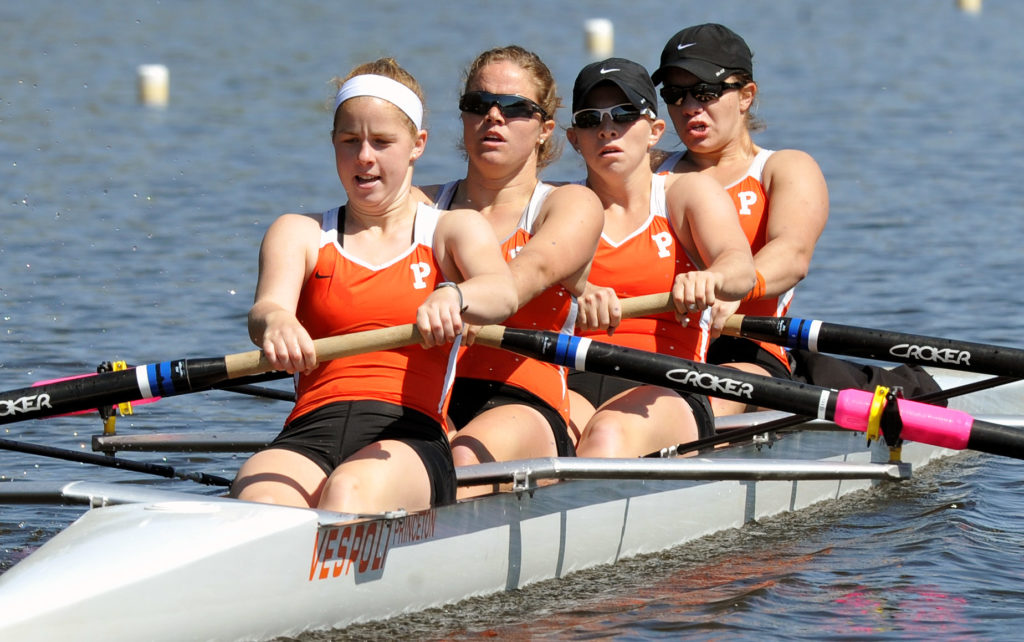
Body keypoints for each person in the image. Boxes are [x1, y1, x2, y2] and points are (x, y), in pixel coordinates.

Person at [230, 58, 518, 514]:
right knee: (259, 501)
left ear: (417, 145)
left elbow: (502, 293)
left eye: (383, 142)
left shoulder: (451, 230)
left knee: (349, 491)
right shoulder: (299, 232)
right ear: (334, 145)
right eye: (350, 142)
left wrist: (455, 295)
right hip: (310, 428)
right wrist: (277, 322)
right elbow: (265, 309)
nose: (365, 157)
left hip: (411, 435)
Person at [420, 46, 603, 494]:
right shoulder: (420, 206)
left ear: (545, 129)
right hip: (426, 397)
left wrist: (464, 301)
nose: (494, 117)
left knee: (459, 459)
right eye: (478, 105)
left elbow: (522, 279)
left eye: (516, 108)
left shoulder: (569, 205)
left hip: (524, 400)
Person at [565, 58, 755, 458]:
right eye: (590, 118)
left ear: (654, 131)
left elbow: (740, 269)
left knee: (606, 436)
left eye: (624, 114)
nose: (607, 128)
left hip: (672, 383)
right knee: (536, 449)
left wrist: (711, 279)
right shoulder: (557, 208)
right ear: (573, 138)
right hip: (574, 379)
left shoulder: (684, 194)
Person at [650, 23, 830, 416]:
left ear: (747, 95)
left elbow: (792, 253)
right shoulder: (648, 171)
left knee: (688, 412)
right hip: (652, 347)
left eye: (706, 92)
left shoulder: (784, 168)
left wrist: (732, 290)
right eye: (675, 95)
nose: (689, 106)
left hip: (744, 349)